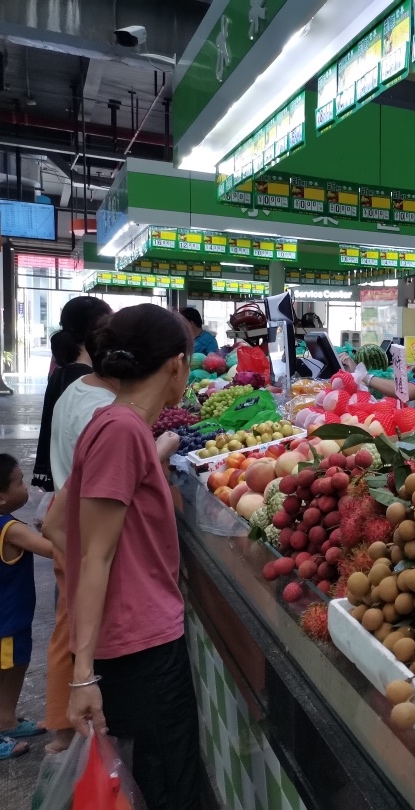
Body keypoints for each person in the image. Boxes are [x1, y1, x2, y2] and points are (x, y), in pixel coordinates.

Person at [64, 304, 199, 809]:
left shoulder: (115, 424)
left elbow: (60, 525)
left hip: (130, 639)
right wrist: (82, 677)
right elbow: (96, 557)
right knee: (164, 786)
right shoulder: (121, 432)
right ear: (176, 366)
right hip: (138, 648)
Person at [0, 454, 53, 760]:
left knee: (16, 665)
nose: (27, 488)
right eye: (19, 482)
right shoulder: (10, 529)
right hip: (6, 623)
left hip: (16, 619)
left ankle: (7, 720)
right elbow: (53, 550)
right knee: (4, 670)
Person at [32, 297, 112, 492]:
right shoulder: (87, 385)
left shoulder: (63, 370)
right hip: (76, 491)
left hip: (65, 487)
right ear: (98, 332)